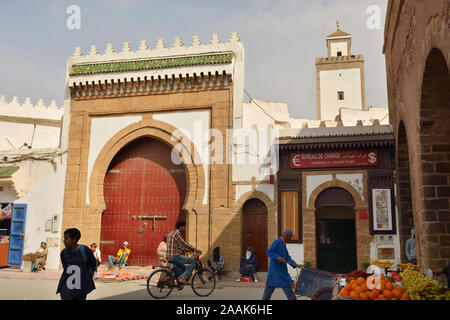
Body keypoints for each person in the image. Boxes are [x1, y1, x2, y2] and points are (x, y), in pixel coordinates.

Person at [56, 228, 97, 300]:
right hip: (66, 289)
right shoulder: (64, 253)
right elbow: (65, 268)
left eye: (66, 238)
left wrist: (88, 276)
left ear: (74, 239)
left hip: (81, 288)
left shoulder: (85, 250)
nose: (64, 241)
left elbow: (93, 264)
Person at [262, 229, 303, 300]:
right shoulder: (277, 242)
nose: (290, 239)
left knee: (273, 288)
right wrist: (277, 257)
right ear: (286, 236)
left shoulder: (283, 244)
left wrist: (295, 265)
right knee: (271, 288)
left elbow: (287, 257)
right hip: (276, 271)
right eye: (290, 237)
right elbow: (269, 252)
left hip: (281, 271)